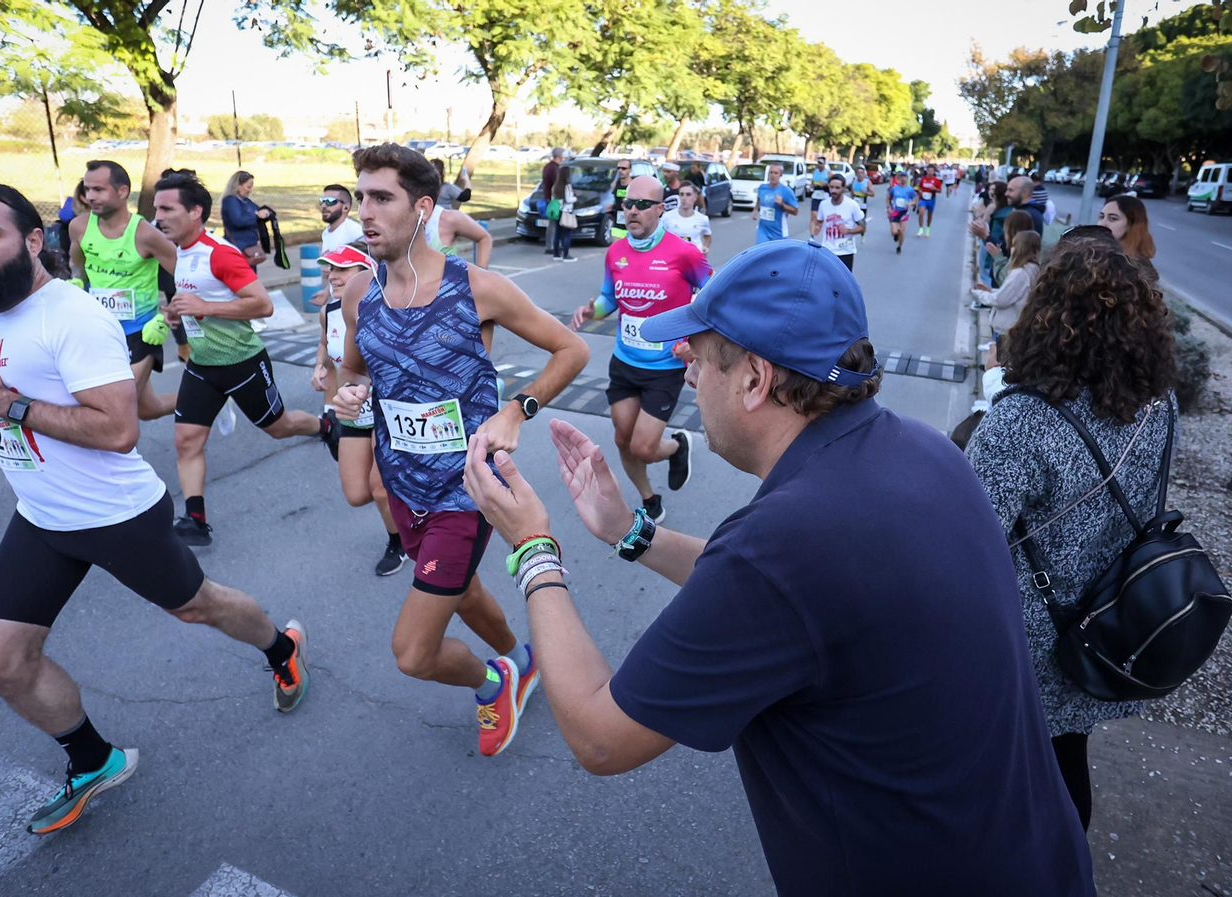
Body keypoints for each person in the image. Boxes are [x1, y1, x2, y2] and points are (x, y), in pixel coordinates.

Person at [462, 239, 1096, 897]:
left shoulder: (786, 544)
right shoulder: (922, 450)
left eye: (701, 355)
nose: (684, 370)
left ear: (756, 378)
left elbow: (599, 737)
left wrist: (533, 546)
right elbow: (792, 598)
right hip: (1042, 860)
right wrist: (632, 533)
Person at [0, 183, 310, 836]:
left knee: (198, 604)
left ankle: (281, 646)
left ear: (32, 241)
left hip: (114, 514)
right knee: (0, 664)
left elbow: (117, 430)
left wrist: (3, 404)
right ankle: (93, 759)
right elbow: (16, 397)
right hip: (42, 514)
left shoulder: (71, 317)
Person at [331, 143, 588, 757]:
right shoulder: (358, 295)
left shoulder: (478, 289)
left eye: (381, 198)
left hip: (466, 489)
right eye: (360, 196)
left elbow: (571, 351)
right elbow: (355, 375)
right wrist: (348, 399)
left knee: (413, 653)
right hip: (402, 486)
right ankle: (523, 662)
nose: (364, 211)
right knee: (463, 590)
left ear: (421, 209)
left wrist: (515, 409)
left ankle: (490, 679)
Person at [965, 232, 1177, 833]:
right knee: (1064, 758)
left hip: (1019, 636)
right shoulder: (1160, 403)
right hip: (1107, 619)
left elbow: (970, 540)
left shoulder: (1021, 418)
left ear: (1047, 315)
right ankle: (1058, 868)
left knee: (995, 774)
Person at [154, 170, 334, 547]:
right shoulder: (179, 255)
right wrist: (179, 312)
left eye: (168, 209)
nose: (159, 217)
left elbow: (262, 305)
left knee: (278, 427)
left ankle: (324, 427)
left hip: (242, 362)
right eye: (157, 208)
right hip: (202, 366)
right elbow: (198, 300)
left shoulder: (219, 254)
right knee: (186, 441)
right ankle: (196, 520)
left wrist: (204, 306)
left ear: (195, 212)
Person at [570, 174, 706, 523]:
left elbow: (713, 299)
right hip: (625, 362)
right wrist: (592, 310)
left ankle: (677, 446)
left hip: (664, 369)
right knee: (622, 439)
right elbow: (608, 298)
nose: (632, 210)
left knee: (643, 447)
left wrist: (693, 343)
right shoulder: (616, 251)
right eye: (627, 203)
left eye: (642, 204)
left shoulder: (684, 253)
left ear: (660, 209)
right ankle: (649, 499)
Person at [311, 243, 408, 576]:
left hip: (386, 413)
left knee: (380, 488)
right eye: (331, 269)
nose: (332, 276)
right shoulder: (330, 310)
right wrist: (320, 366)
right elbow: (327, 343)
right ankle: (409, 500)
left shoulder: (387, 307)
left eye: (342, 269)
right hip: (352, 412)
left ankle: (400, 542)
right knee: (357, 493)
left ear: (366, 272)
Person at [67, 160, 178, 422]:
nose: (90, 196)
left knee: (118, 411)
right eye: (87, 189)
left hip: (140, 332)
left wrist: (167, 316)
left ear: (122, 191)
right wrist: (76, 284)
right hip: (100, 331)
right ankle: (209, 397)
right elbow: (78, 264)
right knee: (148, 409)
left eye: (99, 189)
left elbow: (189, 279)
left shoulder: (146, 234)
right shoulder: (79, 227)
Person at [973, 229, 1041, 336]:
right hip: (1019, 327)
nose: (1011, 248)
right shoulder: (1034, 268)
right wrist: (991, 291)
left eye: (1014, 245)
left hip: (1008, 330)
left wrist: (979, 294)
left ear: (1020, 248)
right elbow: (1014, 294)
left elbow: (1000, 300)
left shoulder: (1019, 273)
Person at [1097, 195, 1158, 279]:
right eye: (1101, 217)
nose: (1102, 224)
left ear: (1131, 225)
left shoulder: (1137, 269)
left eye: (1113, 218)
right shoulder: (1092, 254)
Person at [813, 173, 865, 270]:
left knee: (844, 283)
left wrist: (848, 231)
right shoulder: (823, 204)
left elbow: (863, 227)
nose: (833, 191)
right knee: (826, 281)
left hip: (845, 251)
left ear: (843, 188)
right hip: (827, 250)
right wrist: (817, 227)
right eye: (831, 187)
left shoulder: (852, 205)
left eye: (837, 188)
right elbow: (819, 221)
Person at [219, 171, 271, 267]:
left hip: (250, 245)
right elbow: (237, 221)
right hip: (238, 245)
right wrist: (256, 216)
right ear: (238, 185)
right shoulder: (231, 201)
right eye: (248, 187)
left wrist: (266, 212)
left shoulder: (246, 201)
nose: (250, 190)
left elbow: (260, 210)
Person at [424, 200, 494, 267]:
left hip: (447, 277)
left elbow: (484, 238)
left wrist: (481, 272)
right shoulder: (414, 220)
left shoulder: (449, 218)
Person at [660, 182, 711, 255]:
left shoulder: (703, 219)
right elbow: (658, 236)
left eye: (688, 195)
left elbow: (707, 236)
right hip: (673, 259)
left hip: (695, 258)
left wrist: (705, 247)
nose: (684, 198)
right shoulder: (667, 217)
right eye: (681, 194)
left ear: (695, 198)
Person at [752, 162, 798, 244]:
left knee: (779, 256)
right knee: (761, 254)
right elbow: (759, 200)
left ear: (780, 175)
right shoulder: (762, 188)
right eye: (771, 172)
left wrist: (782, 205)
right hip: (763, 230)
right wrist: (755, 210)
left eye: (776, 173)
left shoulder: (786, 191)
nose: (773, 175)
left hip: (779, 232)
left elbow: (795, 211)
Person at [551, 162, 578, 262]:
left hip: (558, 211)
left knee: (557, 234)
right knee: (567, 234)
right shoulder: (567, 186)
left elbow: (553, 198)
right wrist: (575, 198)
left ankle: (556, 254)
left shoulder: (555, 186)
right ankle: (566, 255)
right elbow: (568, 199)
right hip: (566, 212)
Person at [886, 170, 918, 254]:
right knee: (894, 231)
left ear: (907, 179)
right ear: (899, 179)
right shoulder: (894, 188)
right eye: (901, 178)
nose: (903, 179)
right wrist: (888, 208)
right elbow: (888, 198)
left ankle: (899, 246)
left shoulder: (910, 190)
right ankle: (896, 234)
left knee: (902, 232)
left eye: (905, 178)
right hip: (894, 211)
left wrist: (911, 203)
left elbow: (915, 200)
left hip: (904, 212)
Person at [541, 147, 564, 254]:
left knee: (553, 222)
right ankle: (551, 245)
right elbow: (556, 184)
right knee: (554, 223)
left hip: (548, 197)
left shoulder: (547, 167)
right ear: (559, 156)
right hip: (554, 199)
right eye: (562, 155)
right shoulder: (554, 168)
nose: (563, 157)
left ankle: (553, 244)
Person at [608, 158, 635, 241]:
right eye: (618, 168)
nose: (620, 170)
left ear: (630, 170)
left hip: (632, 225)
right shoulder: (614, 185)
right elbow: (611, 199)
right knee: (617, 252)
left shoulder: (634, 185)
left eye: (623, 168)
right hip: (618, 225)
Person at [916, 165, 943, 237]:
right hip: (923, 199)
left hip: (931, 199)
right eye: (929, 170)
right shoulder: (923, 179)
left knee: (929, 215)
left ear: (934, 171)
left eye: (932, 171)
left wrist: (935, 189)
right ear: (926, 171)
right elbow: (919, 188)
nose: (930, 172)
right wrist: (920, 191)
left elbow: (940, 190)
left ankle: (928, 229)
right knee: (921, 213)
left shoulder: (936, 180)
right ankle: (921, 229)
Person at [808, 156, 831, 225]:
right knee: (813, 213)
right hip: (816, 194)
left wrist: (826, 184)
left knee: (825, 214)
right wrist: (811, 186)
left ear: (824, 164)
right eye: (818, 163)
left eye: (821, 163)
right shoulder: (815, 171)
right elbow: (813, 181)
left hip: (824, 194)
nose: (819, 164)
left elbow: (832, 185)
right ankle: (812, 235)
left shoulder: (828, 173)